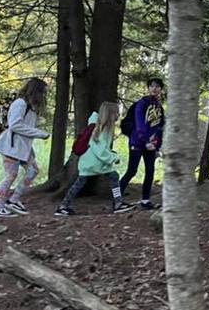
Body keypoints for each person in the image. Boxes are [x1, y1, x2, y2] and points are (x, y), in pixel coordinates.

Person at [56, 102, 135, 217]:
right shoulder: (102, 130)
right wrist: (113, 157)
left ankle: (63, 205)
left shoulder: (96, 126)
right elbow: (100, 150)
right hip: (95, 163)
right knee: (110, 177)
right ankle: (118, 203)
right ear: (110, 115)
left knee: (81, 183)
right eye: (116, 113)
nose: (118, 115)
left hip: (89, 162)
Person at [0, 77, 50, 217]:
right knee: (11, 175)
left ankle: (13, 200)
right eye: (43, 92)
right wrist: (39, 133)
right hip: (11, 147)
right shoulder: (20, 104)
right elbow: (15, 125)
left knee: (33, 171)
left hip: (23, 148)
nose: (44, 96)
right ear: (35, 91)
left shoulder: (31, 107)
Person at [119, 77, 165, 210]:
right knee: (131, 171)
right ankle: (117, 200)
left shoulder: (159, 107)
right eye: (151, 86)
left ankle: (145, 200)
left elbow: (160, 127)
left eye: (157, 87)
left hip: (151, 145)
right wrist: (145, 141)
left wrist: (156, 144)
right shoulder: (141, 103)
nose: (154, 89)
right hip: (137, 142)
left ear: (161, 90)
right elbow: (140, 124)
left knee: (150, 171)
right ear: (148, 88)